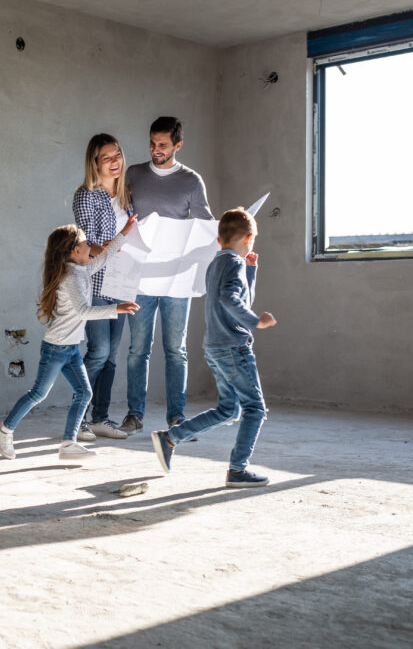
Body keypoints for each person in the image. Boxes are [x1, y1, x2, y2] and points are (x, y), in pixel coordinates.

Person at [0, 218, 140, 461]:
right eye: (86, 242)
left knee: (84, 392)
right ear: (75, 251)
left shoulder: (81, 270)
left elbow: (104, 258)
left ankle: (68, 444)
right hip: (56, 348)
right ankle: (4, 431)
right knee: (38, 394)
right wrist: (117, 308)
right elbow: (83, 311)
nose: (91, 246)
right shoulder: (70, 278)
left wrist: (124, 232)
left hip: (70, 348)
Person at [151, 207, 277, 487]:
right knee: (255, 409)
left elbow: (240, 295)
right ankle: (237, 470)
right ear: (249, 238)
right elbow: (230, 299)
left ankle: (170, 437)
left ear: (219, 241)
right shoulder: (233, 263)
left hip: (216, 346)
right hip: (233, 347)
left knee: (228, 410)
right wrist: (256, 322)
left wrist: (252, 271)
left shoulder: (218, 262)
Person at [123, 116, 213, 437]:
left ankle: (177, 417)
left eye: (163, 145)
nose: (155, 150)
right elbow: (121, 214)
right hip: (141, 277)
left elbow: (204, 226)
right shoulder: (134, 174)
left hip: (176, 278)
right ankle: (134, 415)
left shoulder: (191, 181)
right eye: (152, 143)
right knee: (137, 349)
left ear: (178, 145)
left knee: (176, 350)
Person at [72, 134, 134, 441]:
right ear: (94, 163)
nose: (115, 162)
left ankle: (100, 418)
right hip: (96, 283)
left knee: (111, 356)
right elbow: (88, 245)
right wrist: (116, 245)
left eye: (118, 155)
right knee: (98, 351)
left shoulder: (125, 197)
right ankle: (79, 420)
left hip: (121, 283)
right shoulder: (87, 196)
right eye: (107, 157)